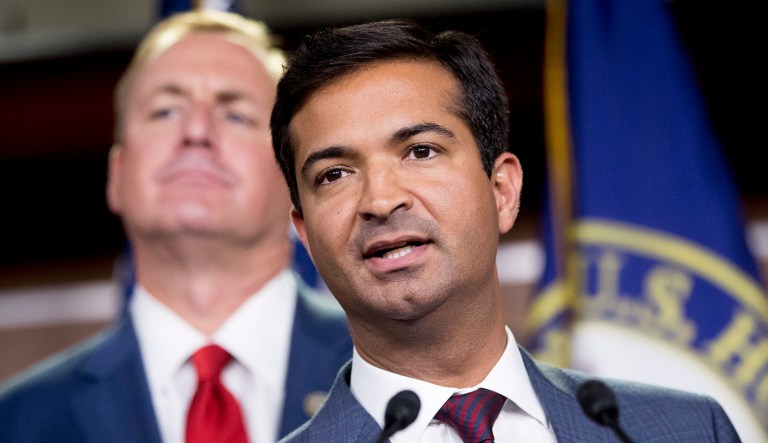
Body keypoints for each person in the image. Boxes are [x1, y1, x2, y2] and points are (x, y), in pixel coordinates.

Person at [269, 19, 741, 442]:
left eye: (421, 151)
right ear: (305, 234)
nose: (380, 200)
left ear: (502, 191)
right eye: (334, 174)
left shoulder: (688, 430)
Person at [0, 9, 351, 443]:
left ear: (292, 177)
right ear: (118, 174)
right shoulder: (17, 422)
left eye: (235, 114)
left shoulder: (398, 368)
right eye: (166, 111)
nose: (197, 130)